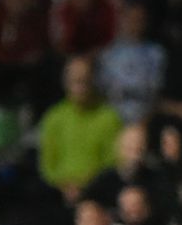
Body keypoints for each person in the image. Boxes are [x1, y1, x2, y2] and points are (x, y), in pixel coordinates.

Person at [39, 57, 124, 203]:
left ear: (93, 81)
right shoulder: (54, 117)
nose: (80, 86)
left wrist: (86, 185)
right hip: (59, 194)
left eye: (84, 80)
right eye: (75, 81)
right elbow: (47, 165)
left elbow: (113, 162)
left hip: (99, 194)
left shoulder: (109, 117)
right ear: (65, 83)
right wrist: (65, 185)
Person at [96, 0, 167, 126]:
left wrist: (145, 123)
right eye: (130, 18)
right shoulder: (108, 55)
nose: (135, 23)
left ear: (145, 22)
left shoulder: (156, 53)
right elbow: (101, 94)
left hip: (147, 121)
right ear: (122, 20)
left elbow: (158, 95)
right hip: (113, 121)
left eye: (139, 19)